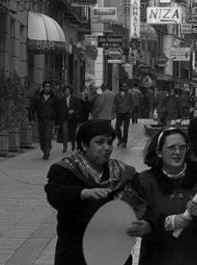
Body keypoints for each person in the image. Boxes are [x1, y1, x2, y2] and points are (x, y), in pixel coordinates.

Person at [45, 119, 138, 265]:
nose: (106, 148)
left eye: (109, 142)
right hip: (76, 251)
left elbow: (141, 202)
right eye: (99, 142)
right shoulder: (65, 169)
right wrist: (82, 193)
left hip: (114, 251)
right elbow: (54, 195)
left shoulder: (123, 173)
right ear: (84, 144)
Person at [129, 127, 197, 265]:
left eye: (182, 147)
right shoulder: (144, 182)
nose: (177, 152)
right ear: (158, 152)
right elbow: (136, 216)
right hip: (156, 257)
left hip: (195, 256)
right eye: (171, 147)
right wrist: (162, 223)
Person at [29, 80, 61, 160]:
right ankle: (45, 149)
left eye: (49, 87)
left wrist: (57, 122)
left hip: (50, 120)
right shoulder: (38, 98)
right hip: (41, 119)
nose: (47, 88)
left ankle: (47, 152)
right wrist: (32, 118)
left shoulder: (54, 98)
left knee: (48, 136)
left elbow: (58, 110)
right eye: (46, 86)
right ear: (43, 87)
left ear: (50, 88)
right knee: (42, 137)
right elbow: (32, 109)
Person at [58, 85, 81, 153]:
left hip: (73, 118)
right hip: (65, 118)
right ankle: (65, 147)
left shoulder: (75, 99)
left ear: (70, 91)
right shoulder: (61, 99)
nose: (66, 91)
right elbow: (59, 109)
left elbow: (79, 109)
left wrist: (73, 111)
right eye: (65, 90)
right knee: (65, 133)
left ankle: (73, 143)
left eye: (68, 90)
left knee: (72, 133)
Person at [114, 83, 133, 148]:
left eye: (125, 86)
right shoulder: (117, 95)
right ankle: (120, 139)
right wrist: (115, 110)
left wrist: (130, 110)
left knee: (125, 128)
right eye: (123, 86)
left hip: (127, 113)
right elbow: (115, 103)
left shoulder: (129, 94)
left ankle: (125, 142)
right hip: (119, 112)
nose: (124, 87)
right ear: (121, 87)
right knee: (117, 127)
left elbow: (132, 103)